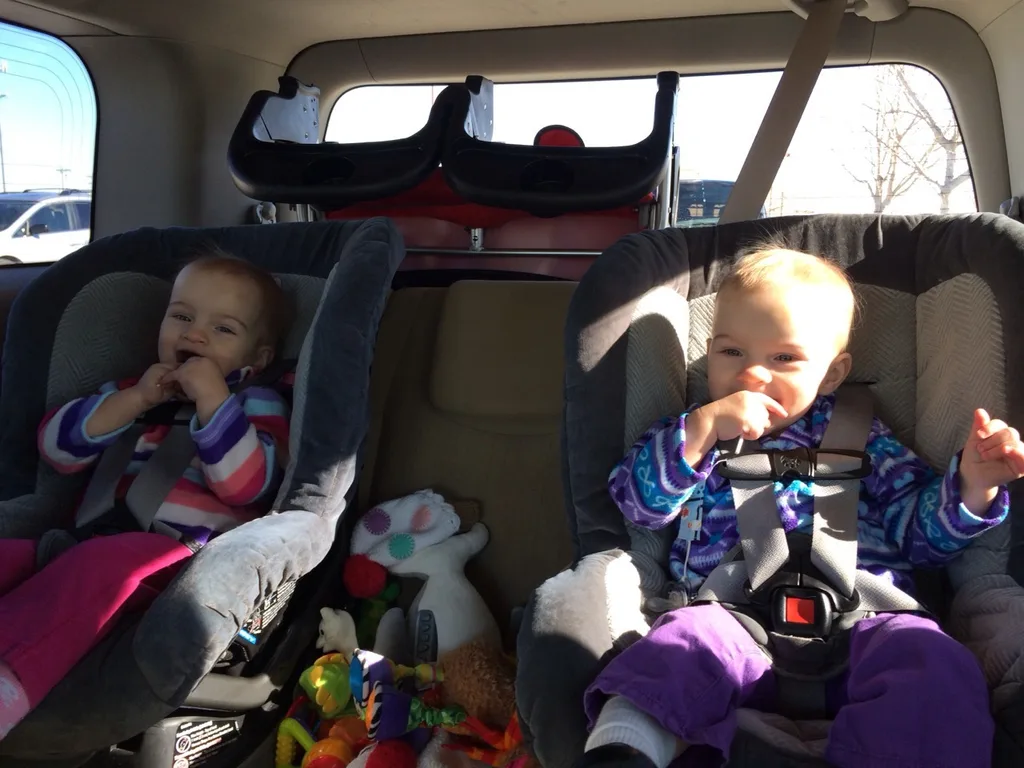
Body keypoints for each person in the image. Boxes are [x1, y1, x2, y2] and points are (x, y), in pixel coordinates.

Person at [578, 248, 1024, 768]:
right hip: (730, 619)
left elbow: (919, 539)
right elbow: (640, 505)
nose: (753, 376)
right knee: (673, 650)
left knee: (935, 661)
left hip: (869, 621)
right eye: (731, 353)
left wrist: (974, 485)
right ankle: (623, 748)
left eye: (783, 358)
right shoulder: (693, 435)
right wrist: (700, 432)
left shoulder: (865, 440)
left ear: (832, 374)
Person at [0, 250, 293, 740]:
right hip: (77, 541)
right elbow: (56, 451)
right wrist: (133, 401)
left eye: (223, 330)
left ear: (256, 359)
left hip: (174, 558)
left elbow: (245, 487)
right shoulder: (132, 391)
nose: (194, 334)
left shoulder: (254, 403)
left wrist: (213, 402)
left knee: (100, 567)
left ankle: (11, 677)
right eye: (181, 317)